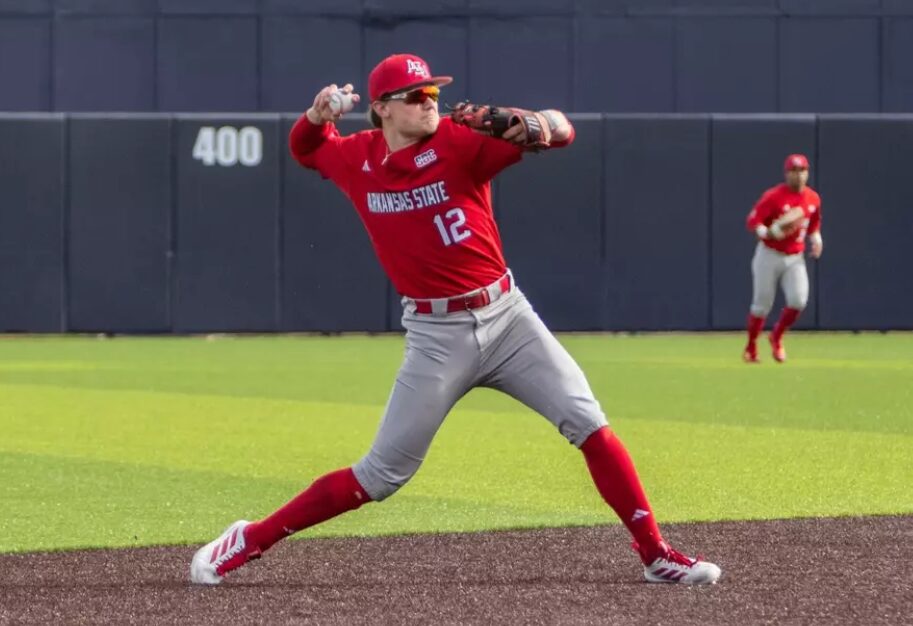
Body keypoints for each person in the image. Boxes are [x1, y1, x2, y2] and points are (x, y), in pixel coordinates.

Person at [189, 53, 721, 586]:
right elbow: (305, 150)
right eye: (417, 96)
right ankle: (250, 538)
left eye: (434, 94)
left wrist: (530, 123)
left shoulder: (460, 143)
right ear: (382, 110)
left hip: (508, 318)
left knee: (590, 426)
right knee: (380, 476)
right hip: (436, 336)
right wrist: (316, 115)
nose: (430, 103)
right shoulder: (358, 157)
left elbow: (563, 131)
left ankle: (656, 553)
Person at [743, 154, 823, 363]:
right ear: (786, 173)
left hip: (795, 257)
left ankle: (776, 336)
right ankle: (751, 347)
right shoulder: (774, 196)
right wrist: (767, 232)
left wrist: (816, 239)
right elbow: (752, 221)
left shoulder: (813, 198)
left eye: (802, 170)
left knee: (798, 300)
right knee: (762, 305)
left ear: (808, 173)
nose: (798, 175)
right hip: (769, 254)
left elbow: (813, 224)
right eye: (794, 171)